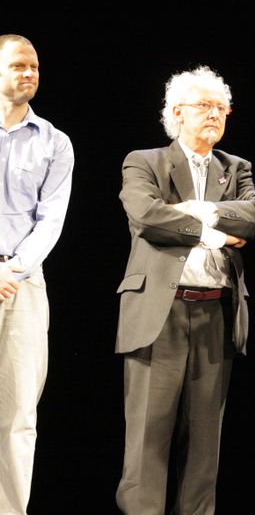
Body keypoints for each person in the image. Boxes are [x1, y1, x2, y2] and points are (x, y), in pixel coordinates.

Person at [115, 65, 255, 515]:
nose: (215, 114)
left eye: (221, 108)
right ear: (177, 112)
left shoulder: (236, 167)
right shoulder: (144, 162)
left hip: (216, 313)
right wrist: (218, 231)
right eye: (204, 106)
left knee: (204, 445)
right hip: (160, 314)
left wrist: (197, 210)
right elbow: (147, 216)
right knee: (148, 438)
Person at [0, 33, 74, 515]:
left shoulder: (55, 142)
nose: (29, 73)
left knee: (18, 412)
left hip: (22, 285)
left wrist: (12, 269)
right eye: (18, 66)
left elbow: (51, 220)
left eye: (35, 67)